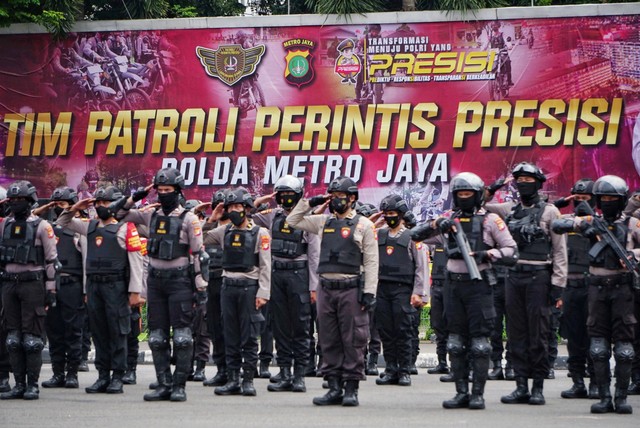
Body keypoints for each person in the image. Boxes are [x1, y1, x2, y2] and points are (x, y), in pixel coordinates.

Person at [412, 172, 518, 410]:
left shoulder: (491, 220)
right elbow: (415, 235)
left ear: (478, 195)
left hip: (479, 284)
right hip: (453, 285)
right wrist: (436, 224)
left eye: (468, 194)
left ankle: (477, 394)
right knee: (455, 343)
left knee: (480, 344)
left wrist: (488, 254)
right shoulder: (448, 219)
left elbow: (512, 251)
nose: (464, 198)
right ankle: (461, 392)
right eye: (460, 194)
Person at [115, 168, 208, 402]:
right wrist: (137, 196)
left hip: (180, 281)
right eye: (160, 190)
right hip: (156, 281)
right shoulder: (150, 215)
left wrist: (200, 287)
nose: (164, 194)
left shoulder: (189, 218)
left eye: (168, 190)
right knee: (156, 337)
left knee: (182, 337)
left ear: (178, 191)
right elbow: (117, 213)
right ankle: (163, 384)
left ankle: (179, 386)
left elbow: (199, 255)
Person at [286, 176, 379, 407]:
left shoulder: (364, 225)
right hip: (326, 288)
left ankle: (351, 388)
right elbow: (293, 220)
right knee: (328, 340)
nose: (336, 200)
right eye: (333, 196)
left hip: (351, 289)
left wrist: (369, 292)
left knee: (353, 339)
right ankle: (334, 387)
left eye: (341, 196)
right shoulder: (323, 222)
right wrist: (311, 201)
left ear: (352, 198)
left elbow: (371, 262)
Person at [552, 175, 637, 415]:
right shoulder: (592, 219)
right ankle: (602, 397)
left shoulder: (632, 224)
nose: (608, 202)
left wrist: (633, 256)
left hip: (623, 289)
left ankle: (620, 398)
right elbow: (557, 225)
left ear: (621, 201)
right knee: (597, 347)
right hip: (596, 288)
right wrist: (582, 225)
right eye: (605, 198)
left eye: (613, 198)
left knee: (623, 349)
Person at [486, 162, 568, 406]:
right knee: (516, 333)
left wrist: (558, 284)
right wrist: (494, 186)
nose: (523, 184)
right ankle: (521, 385)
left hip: (539, 278)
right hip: (514, 277)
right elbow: (477, 204)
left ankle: (538, 387)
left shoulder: (550, 212)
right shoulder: (510, 210)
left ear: (538, 183)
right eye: (519, 179)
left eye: (528, 179)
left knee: (539, 334)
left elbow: (559, 250)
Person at [57, 186, 144, 395]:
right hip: (95, 286)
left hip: (116, 286)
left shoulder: (126, 228)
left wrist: (135, 291)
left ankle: (117, 377)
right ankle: (102, 375)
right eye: (97, 203)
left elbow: (136, 261)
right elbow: (61, 223)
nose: (100, 206)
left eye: (104, 202)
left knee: (118, 331)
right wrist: (76, 207)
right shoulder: (90, 226)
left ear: (115, 204)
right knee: (99, 331)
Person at [252, 175, 320, 393]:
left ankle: (299, 374)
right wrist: (261, 201)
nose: (286, 198)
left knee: (300, 327)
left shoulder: (310, 219)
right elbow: (247, 214)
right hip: (277, 275)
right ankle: (284, 371)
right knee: (279, 326)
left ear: (299, 195)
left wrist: (313, 287)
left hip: (298, 275)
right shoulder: (273, 216)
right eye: (282, 195)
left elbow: (314, 255)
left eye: (290, 194)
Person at [205, 188, 271, 397]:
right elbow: (199, 238)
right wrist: (211, 219)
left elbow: (266, 265)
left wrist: (263, 293)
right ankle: (233, 379)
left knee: (249, 336)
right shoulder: (225, 231)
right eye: (230, 207)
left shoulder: (260, 233)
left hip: (249, 287)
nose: (234, 211)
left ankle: (248, 379)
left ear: (247, 209)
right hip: (228, 286)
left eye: (238, 207)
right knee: (230, 334)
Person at [0, 181, 58, 400]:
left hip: (33, 283)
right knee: (12, 339)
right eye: (12, 200)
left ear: (30, 201)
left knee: (32, 340)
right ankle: (18, 384)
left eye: (20, 200)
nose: (15, 203)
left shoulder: (42, 226)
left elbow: (52, 260)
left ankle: (32, 385)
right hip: (8, 283)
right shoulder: (5, 224)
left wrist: (51, 290)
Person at [374, 195, 427, 387]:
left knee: (403, 331)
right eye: (386, 214)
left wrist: (419, 293)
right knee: (386, 331)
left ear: (401, 215)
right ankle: (390, 370)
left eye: (392, 214)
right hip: (382, 288)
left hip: (403, 290)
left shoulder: (412, 237)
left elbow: (421, 267)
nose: (389, 217)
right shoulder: (379, 234)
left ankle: (404, 370)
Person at [37, 187, 85, 390]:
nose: (59, 209)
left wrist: (85, 290)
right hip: (51, 285)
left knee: (72, 330)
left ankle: (72, 373)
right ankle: (57, 373)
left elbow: (86, 260)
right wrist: (43, 208)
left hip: (72, 284)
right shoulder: (46, 227)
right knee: (53, 330)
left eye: (63, 205)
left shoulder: (81, 228)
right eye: (56, 205)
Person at [553, 179, 597, 399]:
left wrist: (591, 219)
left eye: (585, 200)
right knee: (574, 336)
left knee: (596, 336)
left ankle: (597, 383)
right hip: (570, 285)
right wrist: (561, 203)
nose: (580, 204)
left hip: (593, 286)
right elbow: (546, 217)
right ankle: (578, 382)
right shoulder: (565, 222)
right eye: (577, 200)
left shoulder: (601, 224)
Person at [202, 190, 229, 387]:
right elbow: (199, 239)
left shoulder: (242, 227)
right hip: (211, 281)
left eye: (225, 205)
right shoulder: (212, 228)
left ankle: (237, 369)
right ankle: (221, 369)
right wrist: (212, 219)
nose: (222, 208)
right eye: (218, 204)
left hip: (230, 282)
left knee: (232, 328)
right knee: (214, 327)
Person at [485, 22, 513, 87]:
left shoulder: (502, 34)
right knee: (487, 63)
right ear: (491, 27)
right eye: (493, 25)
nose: (494, 26)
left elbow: (507, 41)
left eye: (495, 25)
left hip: (502, 53)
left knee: (507, 62)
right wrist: (482, 49)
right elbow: (485, 44)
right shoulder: (490, 37)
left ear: (498, 26)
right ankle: (490, 79)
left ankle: (509, 80)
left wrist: (509, 46)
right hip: (493, 55)